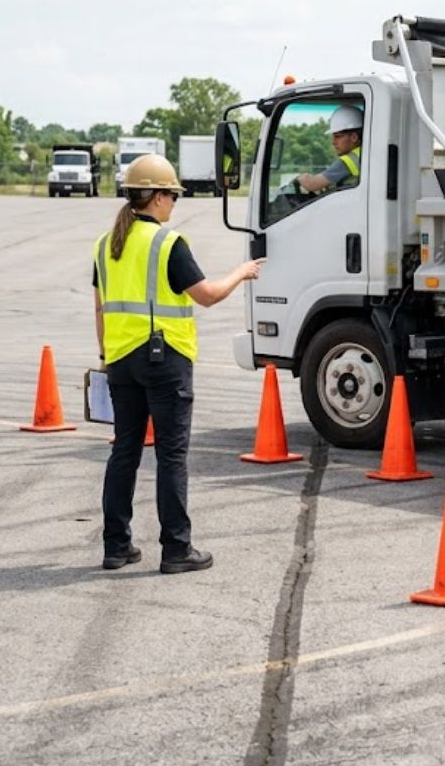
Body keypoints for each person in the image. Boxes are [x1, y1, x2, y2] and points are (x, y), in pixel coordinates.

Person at [93, 154, 264, 573]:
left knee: (124, 453)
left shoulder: (104, 244)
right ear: (156, 197)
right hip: (164, 359)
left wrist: (106, 357)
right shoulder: (167, 243)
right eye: (172, 195)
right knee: (171, 454)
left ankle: (116, 547)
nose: (175, 203)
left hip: (119, 360)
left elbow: (99, 310)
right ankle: (176, 549)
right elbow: (206, 294)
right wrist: (241, 272)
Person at [292, 104, 363, 193]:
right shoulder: (365, 154)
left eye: (338, 136)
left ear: (354, 137)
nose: (333, 142)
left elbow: (312, 184)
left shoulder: (348, 161)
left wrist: (301, 178)